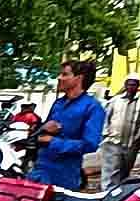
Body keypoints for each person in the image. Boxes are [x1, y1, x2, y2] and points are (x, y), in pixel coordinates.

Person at [33, 60, 104, 191]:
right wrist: (43, 129)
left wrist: (53, 141)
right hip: (40, 170)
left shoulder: (93, 107)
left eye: (65, 74)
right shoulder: (58, 104)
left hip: (64, 176)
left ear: (79, 78)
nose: (59, 78)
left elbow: (90, 144)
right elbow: (42, 133)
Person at [102, 74, 140, 188]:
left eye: (134, 85)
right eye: (129, 84)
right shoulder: (115, 100)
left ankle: (119, 194)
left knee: (125, 171)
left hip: (131, 143)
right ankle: (106, 194)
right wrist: (106, 134)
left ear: (138, 86)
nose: (131, 87)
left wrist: (139, 135)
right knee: (111, 171)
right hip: (113, 141)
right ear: (125, 85)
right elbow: (106, 118)